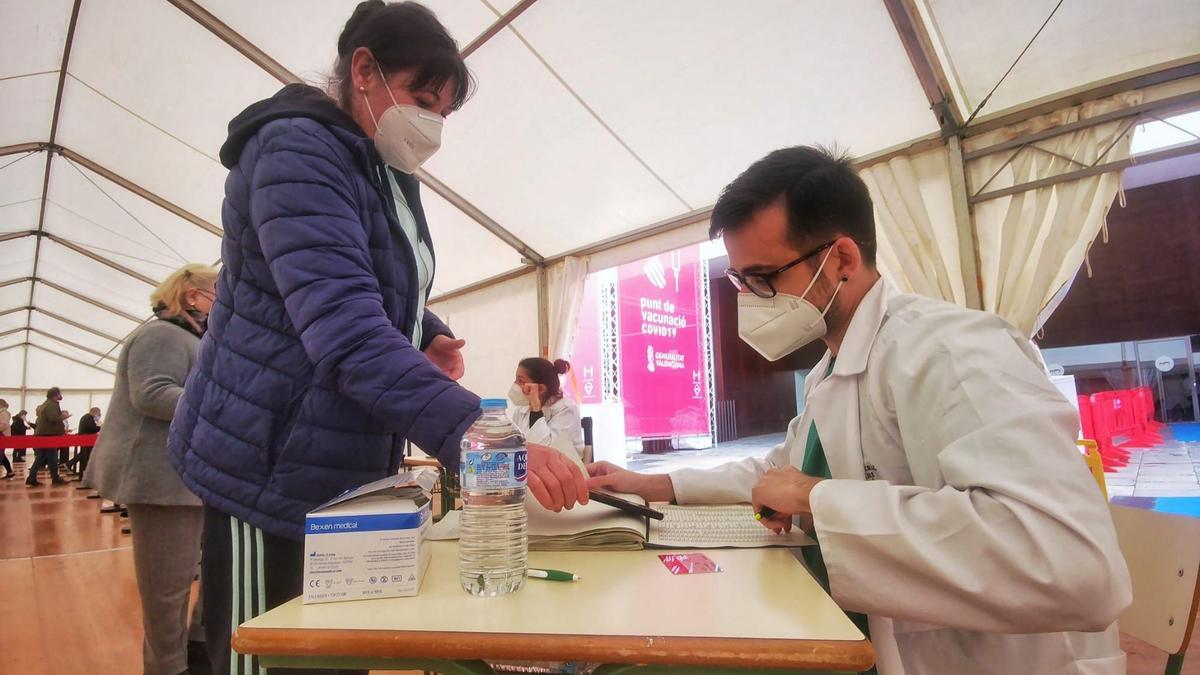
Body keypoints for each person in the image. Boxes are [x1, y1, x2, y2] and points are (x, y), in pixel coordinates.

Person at [587, 146, 1131, 674]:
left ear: (842, 258)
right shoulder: (832, 369)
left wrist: (816, 498)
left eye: (763, 278)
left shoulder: (951, 351)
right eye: (740, 281)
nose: (750, 301)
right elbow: (778, 469)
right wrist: (656, 484)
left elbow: (1070, 563)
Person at [167, 4, 588, 674]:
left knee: (332, 653)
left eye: (443, 114)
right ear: (364, 70)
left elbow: (367, 280)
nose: (431, 126)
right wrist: (477, 438)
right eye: (423, 100)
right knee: (263, 651)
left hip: (335, 467)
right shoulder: (296, 151)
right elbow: (342, 325)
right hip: (263, 463)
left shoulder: (379, 168)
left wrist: (425, 328)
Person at [86, 265, 215, 675]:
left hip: (182, 480)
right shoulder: (162, 335)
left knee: (201, 576)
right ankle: (167, 668)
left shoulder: (189, 338)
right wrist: (221, 408)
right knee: (167, 591)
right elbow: (153, 393)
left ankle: (196, 654)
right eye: (216, 293)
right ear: (192, 296)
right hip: (158, 481)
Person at [508, 358, 584, 456]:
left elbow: (543, 450)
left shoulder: (566, 409)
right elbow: (515, 447)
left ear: (540, 389)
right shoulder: (521, 410)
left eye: (520, 381)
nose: (515, 385)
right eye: (516, 380)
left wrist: (535, 407)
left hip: (562, 467)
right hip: (531, 467)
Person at [28, 387, 70, 486]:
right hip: (49, 435)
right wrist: (64, 416)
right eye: (59, 394)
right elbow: (53, 418)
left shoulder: (45, 404)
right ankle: (55, 478)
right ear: (56, 395)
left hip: (43, 434)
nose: (61, 396)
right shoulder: (52, 405)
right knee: (52, 457)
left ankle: (32, 477)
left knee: (41, 457)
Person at [66, 406, 101, 481]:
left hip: (85, 440)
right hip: (86, 440)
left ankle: (71, 465)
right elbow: (91, 429)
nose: (99, 415)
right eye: (98, 413)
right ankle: (83, 474)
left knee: (83, 455)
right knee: (85, 456)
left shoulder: (87, 417)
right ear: (94, 412)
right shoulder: (88, 418)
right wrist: (100, 427)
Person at [0, 399, 12, 479]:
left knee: (1, 454)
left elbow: (3, 425)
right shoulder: (3, 413)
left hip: (2, 435)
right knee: (2, 455)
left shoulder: (4, 413)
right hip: (2, 435)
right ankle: (10, 472)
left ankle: (10, 472)